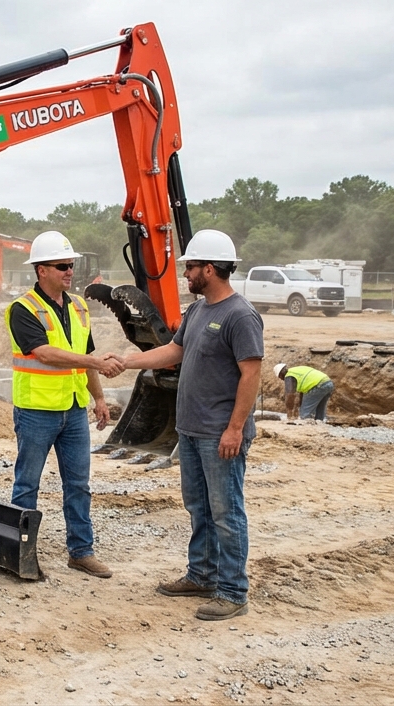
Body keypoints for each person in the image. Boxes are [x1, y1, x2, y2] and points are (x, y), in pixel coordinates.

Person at [121, 229, 263, 621]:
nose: (186, 274)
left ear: (211, 269)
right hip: (192, 430)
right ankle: (202, 575)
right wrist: (126, 362)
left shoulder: (240, 315)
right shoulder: (199, 312)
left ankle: (233, 592)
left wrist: (235, 428)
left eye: (191, 267)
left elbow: (251, 375)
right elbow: (174, 350)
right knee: (199, 507)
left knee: (226, 513)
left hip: (220, 434)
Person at [5, 230, 125, 579]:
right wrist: (96, 363)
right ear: (41, 270)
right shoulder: (23, 309)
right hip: (36, 410)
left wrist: (99, 397)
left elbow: (84, 355)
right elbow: (45, 353)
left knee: (79, 484)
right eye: (62, 266)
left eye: (71, 265)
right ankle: (20, 553)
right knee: (27, 485)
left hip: (73, 411)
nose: (69, 272)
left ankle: (81, 552)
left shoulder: (78, 307)